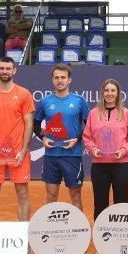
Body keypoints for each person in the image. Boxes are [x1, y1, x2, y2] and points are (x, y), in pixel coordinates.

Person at [0, 57, 34, 221]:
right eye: (1, 68)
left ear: (14, 70)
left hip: (18, 153)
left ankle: (23, 233)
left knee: (23, 193)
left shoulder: (24, 94)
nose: (4, 71)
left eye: (8, 68)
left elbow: (29, 123)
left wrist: (23, 150)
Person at [34, 64, 89, 210]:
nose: (60, 80)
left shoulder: (79, 101)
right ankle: (50, 224)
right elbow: (36, 124)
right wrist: (43, 138)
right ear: (52, 80)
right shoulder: (44, 101)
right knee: (51, 195)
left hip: (73, 156)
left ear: (69, 80)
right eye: (56, 77)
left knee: (75, 196)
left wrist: (76, 139)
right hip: (51, 156)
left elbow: (89, 126)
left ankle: (79, 225)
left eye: (63, 77)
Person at [83, 79, 128, 220]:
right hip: (99, 166)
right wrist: (93, 149)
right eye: (106, 90)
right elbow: (87, 137)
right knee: (100, 203)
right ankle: (101, 233)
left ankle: (120, 232)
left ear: (118, 93)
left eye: (113, 90)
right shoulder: (93, 113)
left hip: (121, 166)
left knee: (121, 203)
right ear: (102, 93)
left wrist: (123, 150)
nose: (109, 93)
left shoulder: (127, 113)